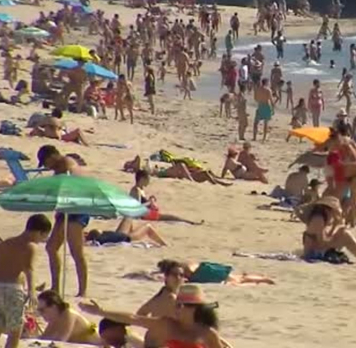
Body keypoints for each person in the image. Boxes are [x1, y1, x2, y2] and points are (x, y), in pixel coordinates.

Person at [79, 285, 232, 348]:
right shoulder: (165, 324)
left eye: (180, 305)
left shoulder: (207, 333)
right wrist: (101, 312)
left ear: (193, 309)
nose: (175, 308)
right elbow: (133, 318)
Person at [0, 214, 52, 348]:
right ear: (39, 232)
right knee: (14, 332)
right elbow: (29, 269)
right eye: (43, 236)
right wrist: (31, 291)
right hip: (12, 289)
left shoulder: (6, 243)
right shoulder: (30, 246)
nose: (42, 240)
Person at [37, 145, 89, 297]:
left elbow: (71, 181)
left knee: (76, 252)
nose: (46, 167)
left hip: (78, 209)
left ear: (51, 157)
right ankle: (56, 287)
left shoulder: (67, 163)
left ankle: (83, 291)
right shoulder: (59, 168)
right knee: (51, 247)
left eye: (45, 163)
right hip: (65, 210)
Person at [301, 196, 356, 263]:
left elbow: (324, 238)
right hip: (312, 253)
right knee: (345, 235)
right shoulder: (318, 219)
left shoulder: (322, 217)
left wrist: (335, 226)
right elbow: (322, 243)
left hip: (317, 249)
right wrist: (339, 235)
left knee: (343, 234)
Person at [130, 170, 205, 225]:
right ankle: (191, 222)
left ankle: (190, 222)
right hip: (144, 216)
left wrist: (150, 201)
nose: (149, 182)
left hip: (147, 214)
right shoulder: (136, 190)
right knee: (171, 217)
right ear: (142, 179)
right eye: (147, 180)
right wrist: (150, 202)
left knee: (171, 217)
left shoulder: (140, 189)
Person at [37, 290, 102, 344]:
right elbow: (44, 339)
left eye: (42, 310)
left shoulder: (68, 314)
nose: (41, 314)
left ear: (54, 307)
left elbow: (60, 341)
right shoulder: (55, 318)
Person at [86, 217, 168, 247]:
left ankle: (133, 235)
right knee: (148, 227)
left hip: (119, 234)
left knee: (128, 218)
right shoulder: (97, 238)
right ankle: (164, 244)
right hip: (125, 238)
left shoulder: (93, 238)